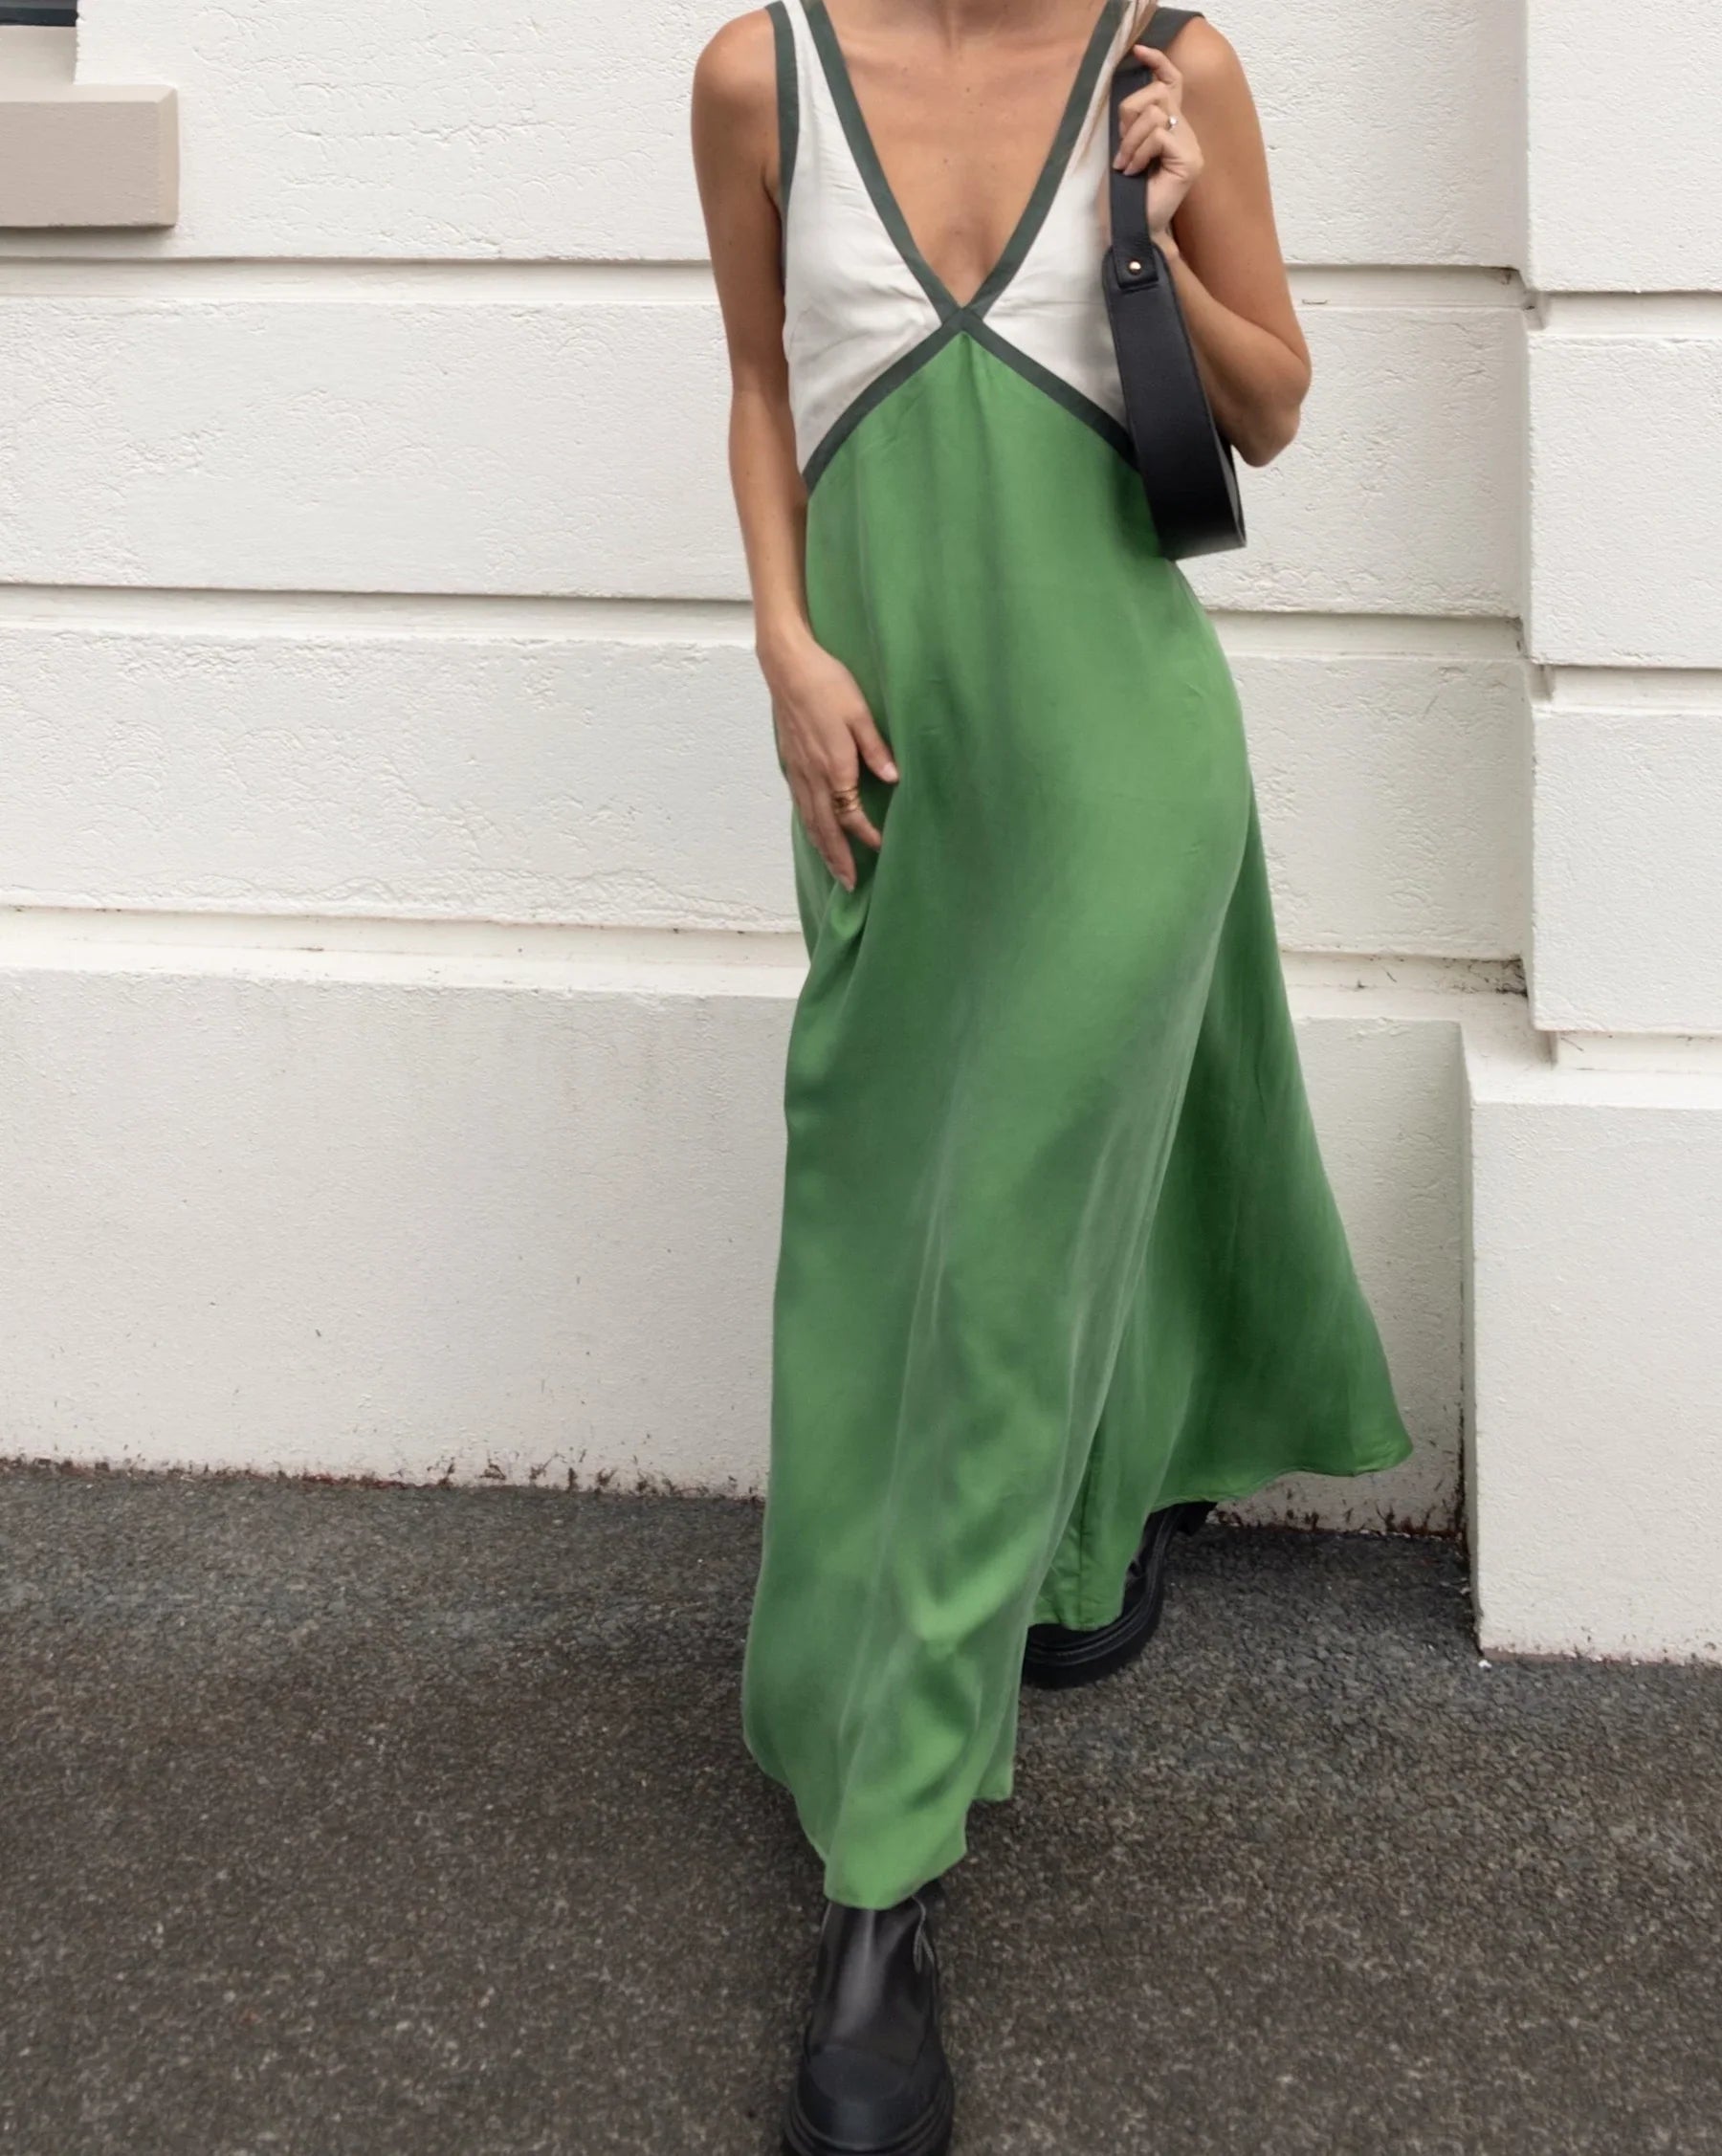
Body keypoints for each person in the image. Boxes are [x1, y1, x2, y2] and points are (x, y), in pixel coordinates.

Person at [691, 4, 1413, 2147]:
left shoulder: (1170, 68)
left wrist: (1166, 235)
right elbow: (760, 384)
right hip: (888, 773)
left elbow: (1272, 404)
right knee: (868, 1234)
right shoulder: (757, 77)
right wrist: (783, 645)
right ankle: (1106, 1512)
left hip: (1123, 770)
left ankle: (883, 1885)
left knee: (1004, 1259)